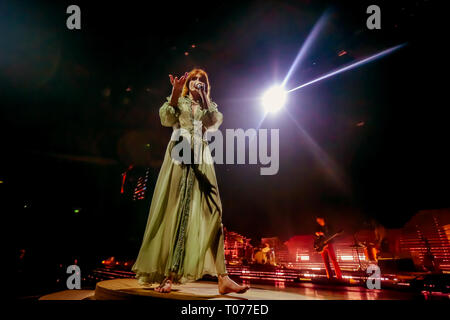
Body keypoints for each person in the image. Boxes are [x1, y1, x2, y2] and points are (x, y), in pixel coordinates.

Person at [132, 68, 250, 294]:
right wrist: (175, 93)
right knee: (176, 212)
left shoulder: (209, 105)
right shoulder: (180, 102)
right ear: (188, 83)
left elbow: (213, 122)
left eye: (202, 79)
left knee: (215, 211)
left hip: (202, 156)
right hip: (180, 154)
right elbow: (166, 119)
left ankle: (223, 278)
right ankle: (168, 276)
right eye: (194, 79)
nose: (197, 81)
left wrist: (205, 96)